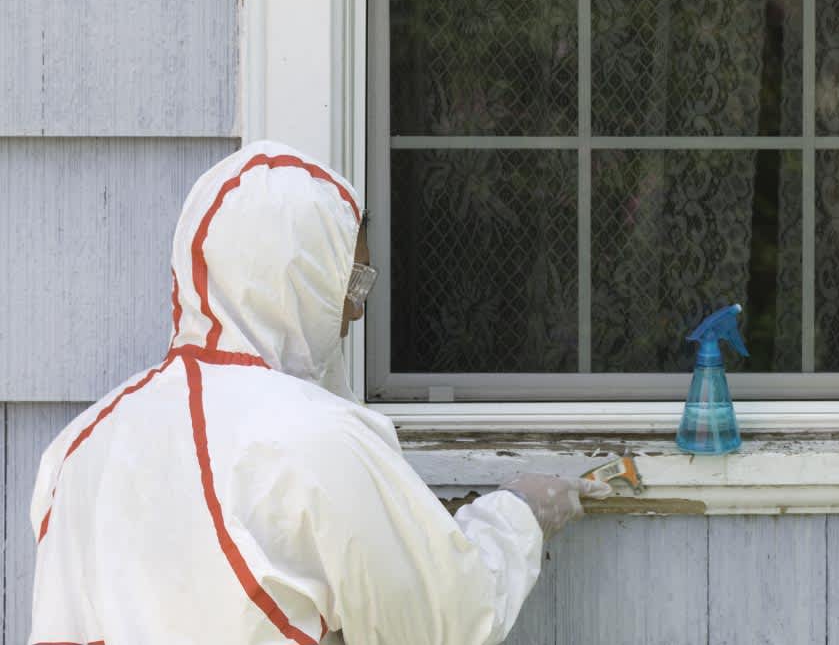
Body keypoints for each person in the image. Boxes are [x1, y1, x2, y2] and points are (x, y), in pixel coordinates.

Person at [27, 140, 607, 644]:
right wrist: (519, 515)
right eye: (350, 284)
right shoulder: (312, 441)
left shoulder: (78, 448)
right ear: (296, 280)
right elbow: (445, 622)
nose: (355, 313)